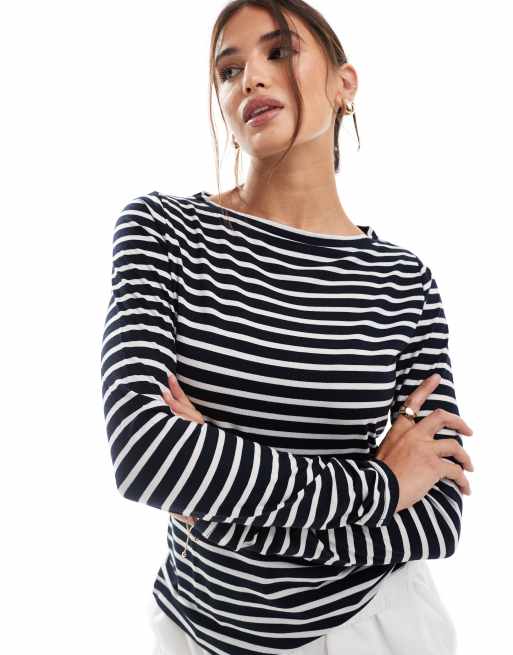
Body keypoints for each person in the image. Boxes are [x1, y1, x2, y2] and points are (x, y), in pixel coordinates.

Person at [100, 1, 474, 653]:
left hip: (369, 629)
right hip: (196, 632)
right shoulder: (163, 232)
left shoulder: (402, 281)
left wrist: (215, 502)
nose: (250, 77)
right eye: (228, 69)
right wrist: (381, 485)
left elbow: (438, 519)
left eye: (279, 52)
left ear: (344, 84)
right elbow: (142, 453)